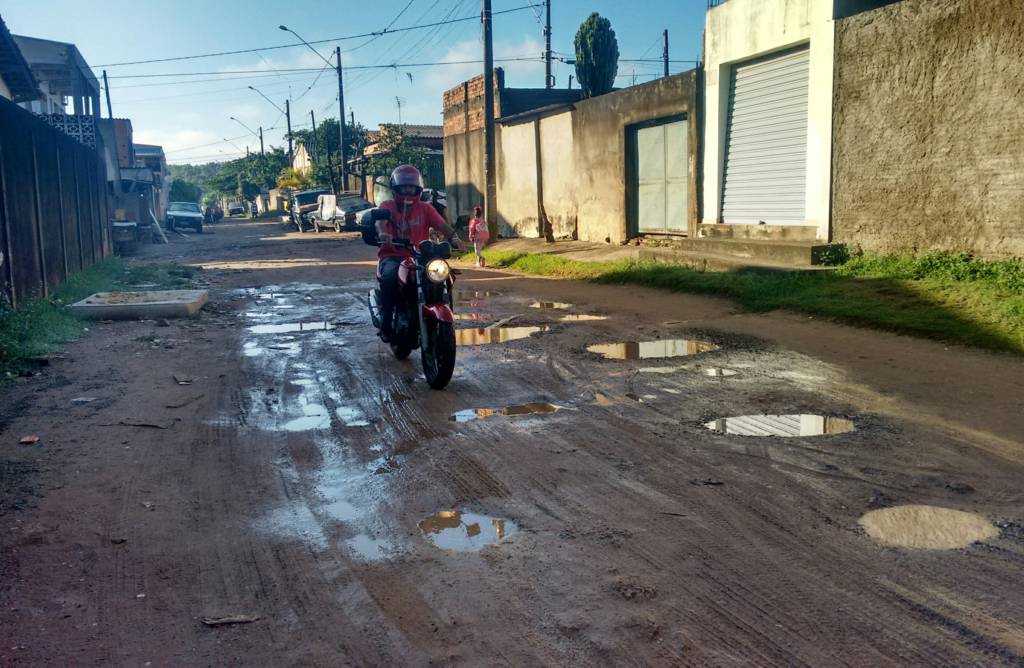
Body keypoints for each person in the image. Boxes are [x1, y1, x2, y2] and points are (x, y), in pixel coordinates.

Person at [375, 165, 460, 343]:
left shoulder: (425, 208)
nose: (408, 191)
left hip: (419, 257)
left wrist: (453, 237)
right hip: (393, 256)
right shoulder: (387, 206)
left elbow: (441, 225)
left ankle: (442, 308)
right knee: (390, 278)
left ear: (418, 188)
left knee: (445, 275)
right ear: (395, 188)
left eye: (411, 187)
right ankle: (386, 323)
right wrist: (383, 233)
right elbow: (380, 222)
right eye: (404, 187)